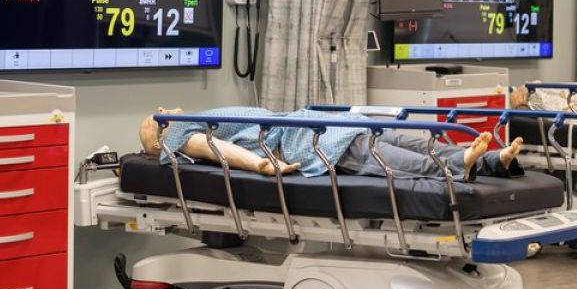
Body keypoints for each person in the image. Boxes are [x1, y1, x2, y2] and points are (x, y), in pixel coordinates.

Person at [139, 106, 526, 182]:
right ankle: (463, 163)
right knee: (403, 161)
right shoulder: (184, 136)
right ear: (161, 134)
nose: (166, 109)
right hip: (317, 143)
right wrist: (263, 166)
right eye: (159, 116)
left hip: (334, 124)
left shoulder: (201, 115)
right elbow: (223, 152)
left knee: (417, 142)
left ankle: (490, 160)